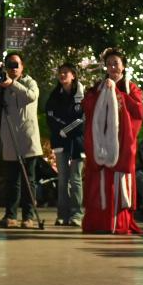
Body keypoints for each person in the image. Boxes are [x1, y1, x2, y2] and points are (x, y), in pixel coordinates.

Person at [82, 49, 143, 234]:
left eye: (116, 63)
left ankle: (118, 223)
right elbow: (87, 107)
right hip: (101, 146)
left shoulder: (131, 88)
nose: (112, 67)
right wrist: (99, 94)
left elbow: (137, 111)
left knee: (119, 182)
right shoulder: (98, 87)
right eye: (109, 64)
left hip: (122, 145)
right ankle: (99, 223)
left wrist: (116, 93)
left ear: (123, 66)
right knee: (100, 183)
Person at [0, 53, 43, 228]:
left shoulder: (30, 82)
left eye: (16, 64)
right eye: (10, 65)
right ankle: (10, 216)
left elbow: (31, 96)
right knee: (11, 181)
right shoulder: (0, 84)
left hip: (27, 138)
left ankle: (28, 217)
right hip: (9, 137)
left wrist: (11, 84)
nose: (13, 68)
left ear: (22, 66)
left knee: (28, 180)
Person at [45, 62, 86, 227]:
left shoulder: (82, 96)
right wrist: (61, 129)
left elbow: (83, 119)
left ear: (73, 75)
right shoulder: (55, 95)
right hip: (60, 141)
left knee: (76, 179)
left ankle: (77, 215)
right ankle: (62, 215)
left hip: (77, 142)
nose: (62, 75)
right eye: (60, 72)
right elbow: (50, 116)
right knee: (62, 179)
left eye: (66, 72)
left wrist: (66, 129)